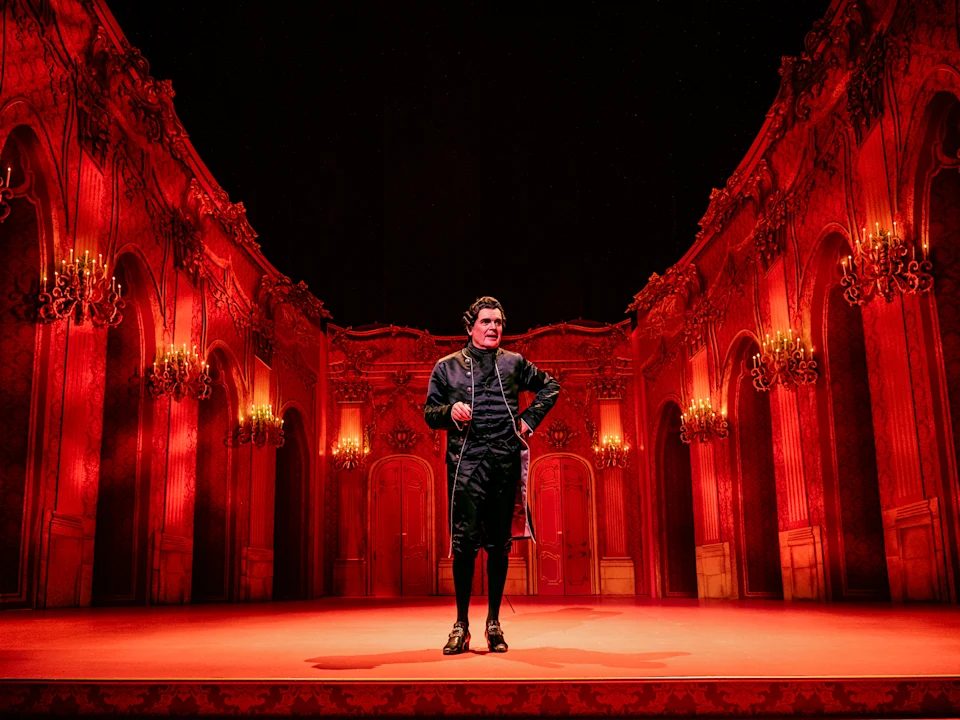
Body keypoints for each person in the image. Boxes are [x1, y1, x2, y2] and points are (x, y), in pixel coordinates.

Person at [424, 296, 560, 654]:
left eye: (498, 322)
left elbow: (551, 386)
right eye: (486, 322)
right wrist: (450, 410)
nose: (493, 328)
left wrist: (528, 421)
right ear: (470, 327)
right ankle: (461, 625)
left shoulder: (514, 363)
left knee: (499, 546)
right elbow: (429, 412)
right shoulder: (446, 367)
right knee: (464, 546)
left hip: (504, 461)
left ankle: (494, 623)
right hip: (466, 465)